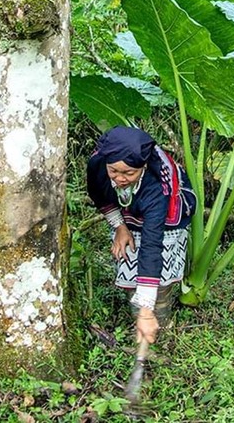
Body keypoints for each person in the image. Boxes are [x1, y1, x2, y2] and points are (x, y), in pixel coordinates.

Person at [86, 125, 197, 345]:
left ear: (143, 166)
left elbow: (151, 246)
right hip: (129, 208)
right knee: (128, 257)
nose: (120, 178)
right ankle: (140, 319)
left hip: (166, 221)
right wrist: (119, 226)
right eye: (114, 171)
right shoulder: (98, 164)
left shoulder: (158, 187)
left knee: (160, 271)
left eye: (129, 172)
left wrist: (148, 310)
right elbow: (98, 195)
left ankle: (160, 327)